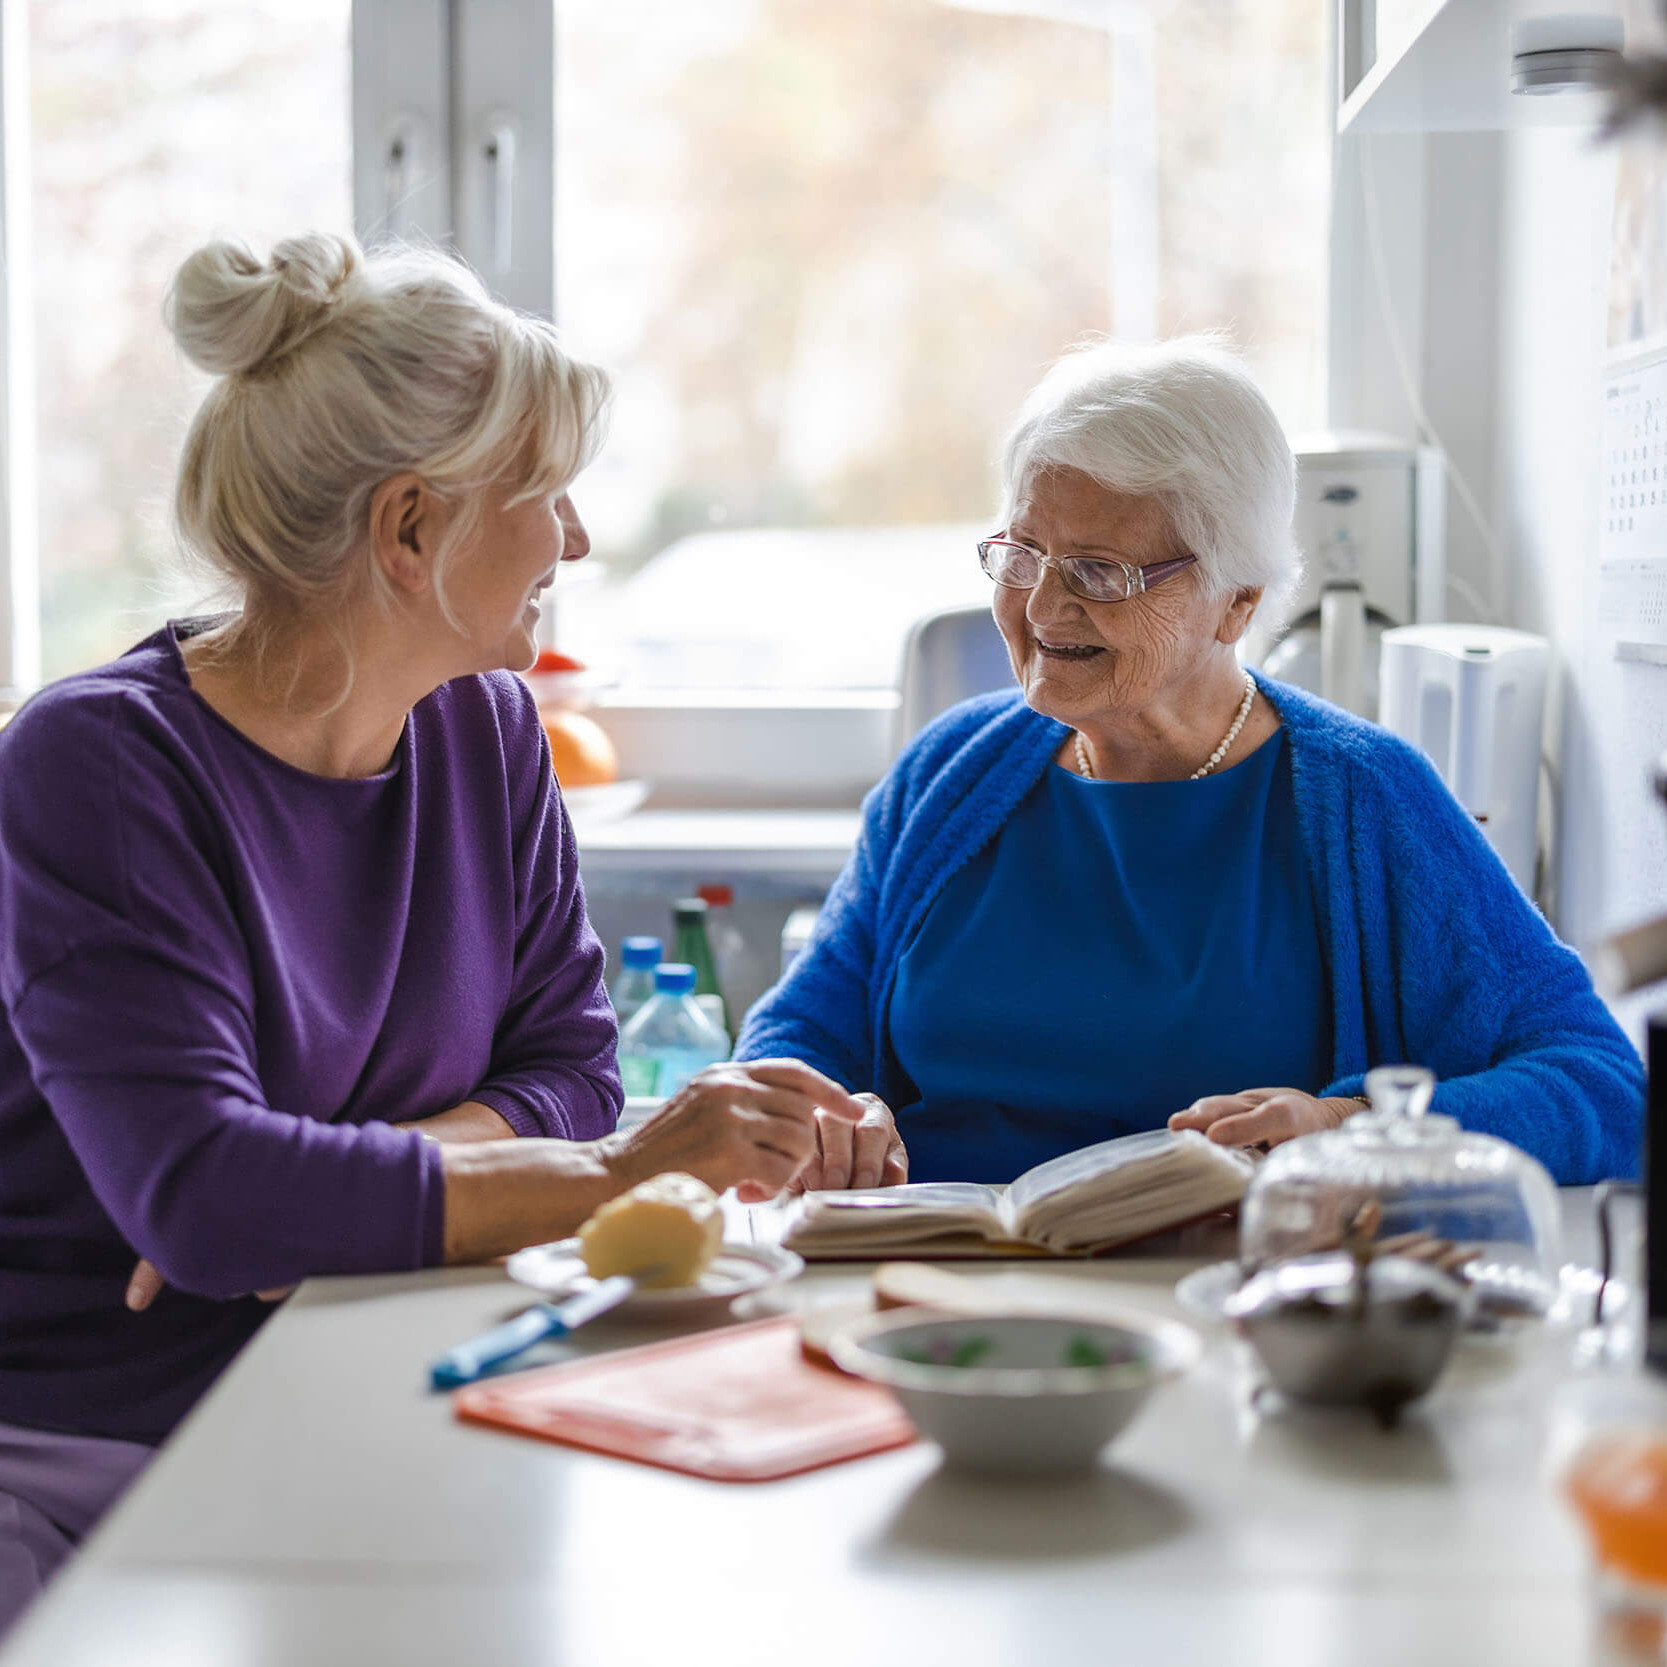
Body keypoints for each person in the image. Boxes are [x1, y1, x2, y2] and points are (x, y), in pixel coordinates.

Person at [0, 233, 862, 1630]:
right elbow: (210, 1204)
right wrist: (617, 1170)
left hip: (373, 1360)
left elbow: (569, 1066)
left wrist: (325, 1195)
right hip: (87, 1452)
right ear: (408, 530)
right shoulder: (95, 764)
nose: (576, 540)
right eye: (546, 494)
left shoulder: (486, 728)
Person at [737, 335, 1642, 1192]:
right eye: (1021, 555)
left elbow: (1604, 1086)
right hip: (929, 1284)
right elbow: (798, 1032)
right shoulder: (950, 770)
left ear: (1234, 602)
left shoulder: (1365, 798)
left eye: (1098, 571)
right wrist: (826, 1114)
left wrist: (1352, 1130)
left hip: (1226, 1305)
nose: (1042, 605)